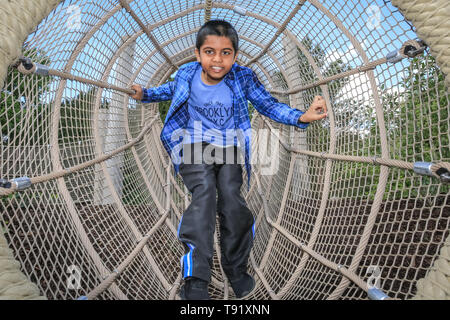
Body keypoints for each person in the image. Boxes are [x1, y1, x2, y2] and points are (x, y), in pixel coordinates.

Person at [129, 20, 327, 300]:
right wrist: (145, 94)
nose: (217, 60)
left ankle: (235, 267)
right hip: (192, 145)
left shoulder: (243, 77)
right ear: (198, 54)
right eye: (210, 52)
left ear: (235, 56)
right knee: (206, 194)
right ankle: (196, 277)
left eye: (226, 53)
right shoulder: (186, 74)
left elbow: (267, 104)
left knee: (232, 200)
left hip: (229, 149)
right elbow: (168, 90)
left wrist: (301, 117)